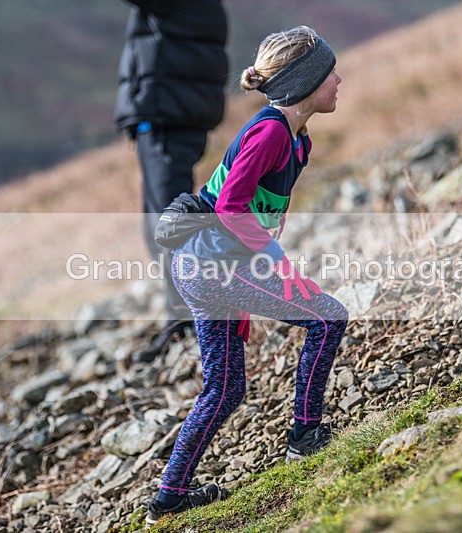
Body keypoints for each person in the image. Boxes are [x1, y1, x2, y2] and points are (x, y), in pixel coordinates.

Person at [144, 26, 348, 525]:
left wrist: (247, 288)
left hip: (205, 266)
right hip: (213, 265)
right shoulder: (273, 132)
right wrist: (280, 266)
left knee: (225, 387)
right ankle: (305, 436)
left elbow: (252, 213)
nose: (340, 79)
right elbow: (233, 208)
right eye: (329, 73)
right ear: (304, 83)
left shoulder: (296, 140)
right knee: (327, 318)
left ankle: (169, 497)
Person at [113, 0, 229, 362]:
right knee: (161, 226)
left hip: (169, 122)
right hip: (165, 120)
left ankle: (199, 321)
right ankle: (183, 318)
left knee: (170, 226)